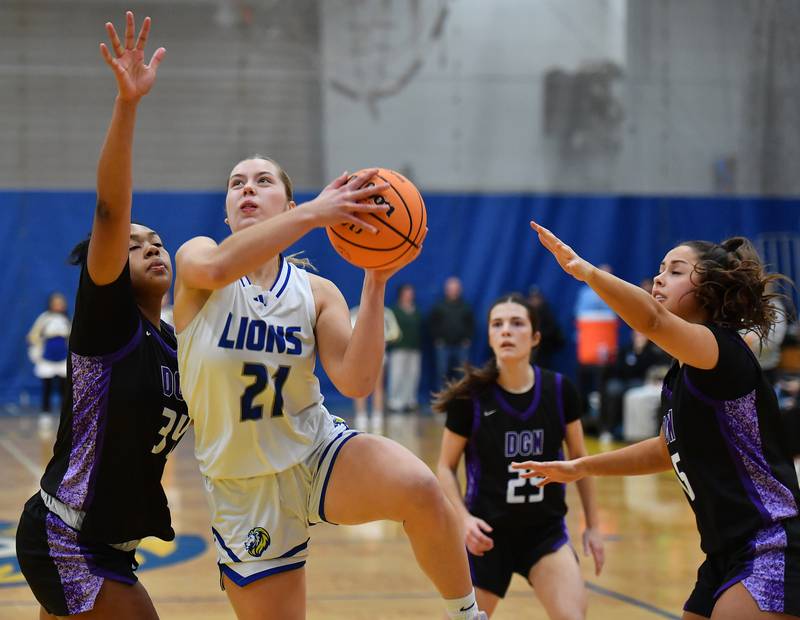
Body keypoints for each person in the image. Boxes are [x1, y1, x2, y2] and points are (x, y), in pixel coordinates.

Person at [173, 160, 487, 619]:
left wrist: (376, 278)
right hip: (243, 485)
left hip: (315, 452)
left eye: (263, 182)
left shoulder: (316, 292)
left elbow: (356, 381)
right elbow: (219, 266)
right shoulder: (199, 260)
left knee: (419, 486)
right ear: (226, 213)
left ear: (289, 203)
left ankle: (467, 615)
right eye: (237, 183)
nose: (248, 189)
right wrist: (316, 215)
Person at [515, 222, 800, 619]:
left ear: (709, 290)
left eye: (676, 271)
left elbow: (651, 321)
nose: (661, 279)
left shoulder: (720, 350)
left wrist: (585, 270)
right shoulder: (681, 375)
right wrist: (580, 466)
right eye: (661, 269)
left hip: (769, 542)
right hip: (722, 552)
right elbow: (669, 449)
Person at [16, 12, 190, 619]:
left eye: (159, 240)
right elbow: (113, 211)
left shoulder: (174, 343)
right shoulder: (107, 327)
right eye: (137, 242)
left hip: (114, 545)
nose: (153, 246)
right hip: (67, 537)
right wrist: (128, 104)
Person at [434, 293, 604, 619]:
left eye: (516, 323)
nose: (506, 331)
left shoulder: (559, 390)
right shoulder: (470, 398)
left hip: (544, 534)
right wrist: (464, 520)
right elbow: (444, 467)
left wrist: (593, 526)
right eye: (497, 324)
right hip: (486, 535)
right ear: (489, 336)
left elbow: (581, 462)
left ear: (535, 337)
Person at [349, 303, 401, 432]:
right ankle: (361, 416)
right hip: (360, 357)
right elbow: (348, 332)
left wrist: (381, 339)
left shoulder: (385, 313)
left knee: (378, 386)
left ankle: (377, 415)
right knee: (359, 386)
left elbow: (395, 332)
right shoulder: (355, 313)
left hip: (378, 356)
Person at [27, 292, 71, 413]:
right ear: (50, 304)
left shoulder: (67, 319)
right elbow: (33, 335)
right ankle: (45, 413)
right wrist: (40, 346)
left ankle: (65, 413)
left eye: (61, 303)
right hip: (48, 358)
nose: (58, 306)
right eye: (56, 303)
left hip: (62, 358)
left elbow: (72, 337)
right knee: (47, 387)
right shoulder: (44, 318)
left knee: (64, 388)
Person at [429, 276, 475, 392]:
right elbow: (432, 324)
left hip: (461, 346)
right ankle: (441, 399)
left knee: (462, 373)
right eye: (451, 289)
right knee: (442, 373)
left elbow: (471, 324)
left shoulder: (466, 306)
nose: (453, 291)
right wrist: (437, 339)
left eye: (455, 289)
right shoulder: (439, 306)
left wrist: (467, 338)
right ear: (446, 290)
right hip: (443, 346)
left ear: (459, 290)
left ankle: (461, 397)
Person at [387, 283, 423, 413]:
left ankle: (410, 401)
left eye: (411, 292)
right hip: (399, 348)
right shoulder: (394, 310)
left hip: (414, 348)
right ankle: (395, 402)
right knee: (397, 374)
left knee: (413, 375)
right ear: (401, 294)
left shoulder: (416, 310)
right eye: (407, 292)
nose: (409, 295)